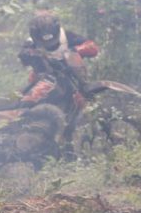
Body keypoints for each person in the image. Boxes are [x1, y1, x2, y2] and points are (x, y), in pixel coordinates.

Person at [17, 11, 99, 158]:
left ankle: (70, 145)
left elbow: (92, 47)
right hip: (43, 80)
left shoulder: (67, 36)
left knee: (76, 108)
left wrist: (77, 50)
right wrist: (29, 54)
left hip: (69, 78)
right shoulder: (30, 42)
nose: (48, 44)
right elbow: (22, 55)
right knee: (26, 102)